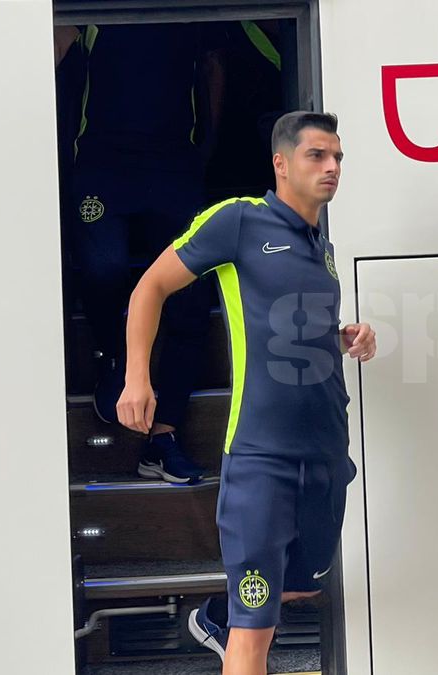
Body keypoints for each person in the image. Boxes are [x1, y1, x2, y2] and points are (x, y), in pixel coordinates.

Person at [116, 111, 375, 675]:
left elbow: (288, 330)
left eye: (338, 158)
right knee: (255, 632)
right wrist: (138, 377)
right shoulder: (238, 221)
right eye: (317, 156)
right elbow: (150, 286)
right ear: (281, 164)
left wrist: (344, 335)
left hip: (327, 454)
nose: (332, 168)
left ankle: (214, 617)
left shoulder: (320, 245)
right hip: (263, 459)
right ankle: (229, 626)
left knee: (299, 590)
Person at [55, 23, 227, 483]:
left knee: (190, 300)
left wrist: (205, 147)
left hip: (173, 161)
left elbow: (212, 65)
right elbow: (52, 48)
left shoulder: (190, 12)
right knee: (103, 267)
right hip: (100, 159)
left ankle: (164, 437)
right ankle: (117, 358)